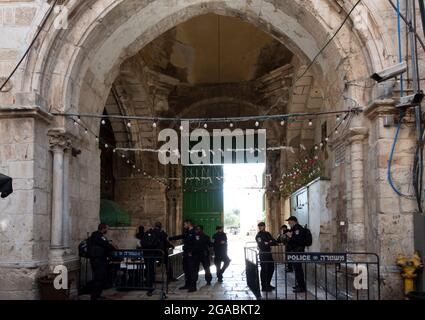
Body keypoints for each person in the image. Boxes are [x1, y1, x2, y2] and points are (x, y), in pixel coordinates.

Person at [87, 223, 117, 300]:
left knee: (100, 278)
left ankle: (97, 295)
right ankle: (94, 296)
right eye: (107, 228)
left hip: (99, 260)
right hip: (98, 260)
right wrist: (113, 246)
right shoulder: (98, 236)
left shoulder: (96, 236)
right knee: (99, 278)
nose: (107, 230)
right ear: (103, 228)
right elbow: (106, 245)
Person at [169, 219, 196, 291]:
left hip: (191, 254)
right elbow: (181, 236)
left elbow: (196, 244)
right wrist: (170, 238)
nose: (184, 226)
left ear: (189, 224)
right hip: (186, 253)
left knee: (191, 270)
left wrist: (192, 252)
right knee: (186, 270)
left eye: (185, 224)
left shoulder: (194, 232)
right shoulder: (187, 232)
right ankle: (187, 285)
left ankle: (193, 287)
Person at [286, 216, 307, 293]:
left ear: (294, 221)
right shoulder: (294, 228)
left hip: (298, 251)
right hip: (295, 251)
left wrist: (290, 236)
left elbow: (299, 241)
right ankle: (300, 285)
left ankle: (302, 287)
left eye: (289, 221)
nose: (288, 223)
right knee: (297, 269)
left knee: (298, 269)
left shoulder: (297, 228)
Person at [255, 222, 277, 292]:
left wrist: (267, 242)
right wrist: (268, 242)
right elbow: (262, 245)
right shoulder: (258, 236)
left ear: (264, 226)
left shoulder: (267, 233)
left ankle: (268, 284)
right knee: (264, 270)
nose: (260, 227)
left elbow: (275, 242)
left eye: (261, 226)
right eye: (259, 226)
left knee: (271, 268)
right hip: (263, 254)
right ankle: (264, 286)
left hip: (269, 253)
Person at [190, 225, 213, 291]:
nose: (197, 230)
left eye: (198, 229)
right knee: (195, 270)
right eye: (196, 229)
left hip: (204, 254)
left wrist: (215, 243)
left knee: (207, 268)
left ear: (202, 230)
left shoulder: (206, 237)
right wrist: (190, 251)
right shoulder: (193, 236)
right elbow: (190, 244)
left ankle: (208, 280)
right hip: (196, 255)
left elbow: (210, 244)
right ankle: (193, 285)